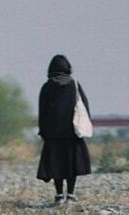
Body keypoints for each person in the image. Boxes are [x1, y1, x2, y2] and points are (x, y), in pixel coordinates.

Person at [37, 54, 91, 205]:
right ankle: (71, 195)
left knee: (56, 166)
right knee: (71, 165)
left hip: (53, 134)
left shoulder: (47, 87)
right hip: (72, 133)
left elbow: (42, 111)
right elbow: (84, 106)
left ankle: (59, 195)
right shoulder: (74, 84)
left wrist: (43, 131)